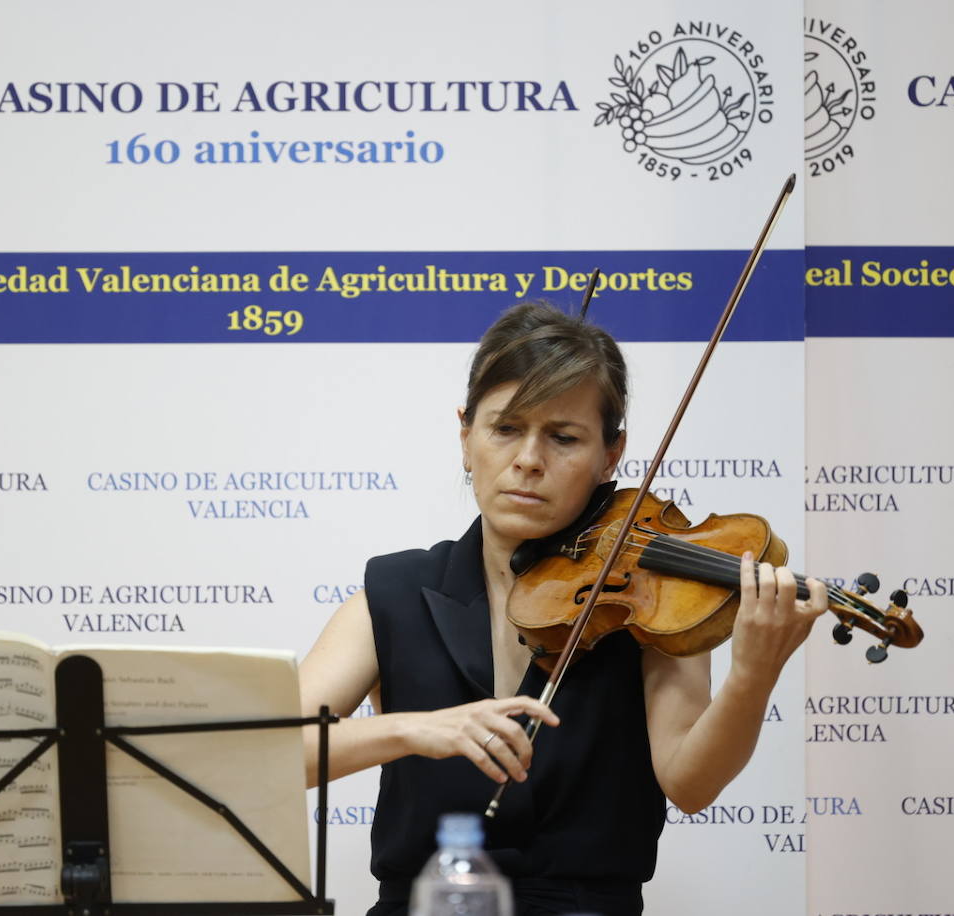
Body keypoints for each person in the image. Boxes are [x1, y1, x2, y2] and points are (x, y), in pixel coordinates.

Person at [299, 302, 827, 916]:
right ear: (465, 437)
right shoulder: (392, 592)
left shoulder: (651, 597)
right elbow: (273, 753)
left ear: (611, 454)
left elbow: (691, 783)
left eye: (563, 437)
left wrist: (754, 674)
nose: (528, 459)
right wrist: (412, 728)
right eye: (505, 429)